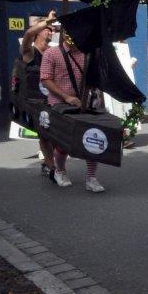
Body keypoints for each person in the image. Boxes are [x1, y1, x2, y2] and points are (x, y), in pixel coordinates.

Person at [40, 29, 104, 192]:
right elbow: (46, 79)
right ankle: (60, 171)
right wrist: (66, 97)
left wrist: (97, 98)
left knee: (93, 140)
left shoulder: (87, 54)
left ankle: (91, 178)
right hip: (60, 104)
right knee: (63, 143)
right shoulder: (51, 53)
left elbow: (95, 78)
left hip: (86, 103)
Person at [21, 11, 57, 178]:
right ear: (39, 31)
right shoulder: (29, 52)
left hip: (53, 100)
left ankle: (47, 162)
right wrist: (47, 20)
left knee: (56, 135)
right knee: (44, 136)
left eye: (53, 29)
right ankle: (52, 168)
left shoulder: (52, 52)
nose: (51, 31)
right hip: (36, 102)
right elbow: (28, 33)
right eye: (48, 28)